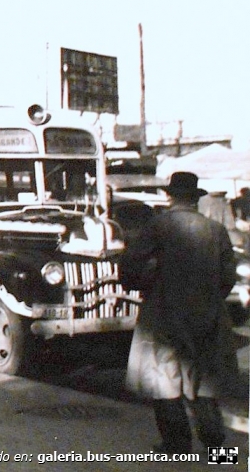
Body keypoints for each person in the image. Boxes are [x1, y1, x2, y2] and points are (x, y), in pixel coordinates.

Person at [121, 171, 237, 455]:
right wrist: (208, 298)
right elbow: (228, 277)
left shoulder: (157, 227)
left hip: (164, 313)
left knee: (164, 380)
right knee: (203, 382)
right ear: (195, 197)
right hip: (207, 314)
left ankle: (177, 446)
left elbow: (130, 268)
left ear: (169, 195)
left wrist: (144, 285)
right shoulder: (215, 229)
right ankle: (216, 451)